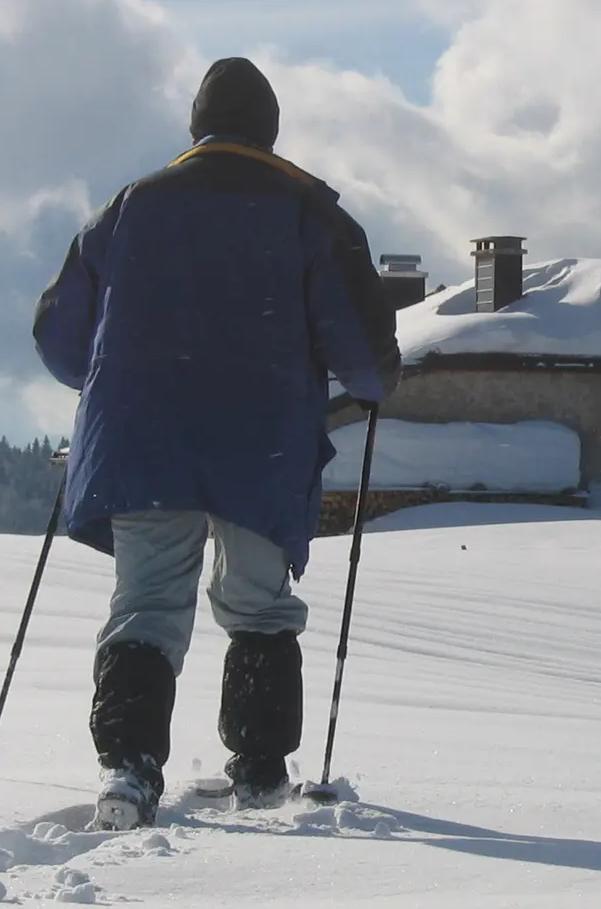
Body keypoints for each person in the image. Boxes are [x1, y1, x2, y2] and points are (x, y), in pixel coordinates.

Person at [32, 56, 400, 830]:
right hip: (259, 443)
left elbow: (62, 339)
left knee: (147, 604)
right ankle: (261, 772)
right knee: (259, 602)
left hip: (142, 438)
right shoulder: (309, 213)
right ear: (269, 131)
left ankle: (129, 771)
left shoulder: (129, 208)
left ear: (197, 128)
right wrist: (370, 382)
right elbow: (361, 355)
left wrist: (115, 383)